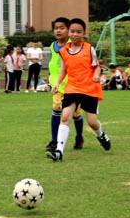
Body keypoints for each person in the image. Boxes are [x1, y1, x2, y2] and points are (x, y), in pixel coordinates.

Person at [47, 18, 111, 162]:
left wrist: (96, 75)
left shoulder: (89, 49)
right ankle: (59, 151)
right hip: (72, 88)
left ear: (84, 33)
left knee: (92, 122)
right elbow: (64, 70)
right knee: (65, 117)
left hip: (89, 89)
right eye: (72, 31)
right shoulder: (64, 51)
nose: (75, 34)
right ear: (69, 32)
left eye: (78, 32)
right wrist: (57, 83)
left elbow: (97, 66)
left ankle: (101, 135)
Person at [46, 17, 85, 153]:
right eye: (56, 28)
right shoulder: (52, 46)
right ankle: (54, 140)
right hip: (57, 86)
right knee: (56, 108)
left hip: (73, 86)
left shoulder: (73, 46)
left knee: (75, 115)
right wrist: (52, 79)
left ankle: (79, 136)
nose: (58, 30)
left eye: (62, 28)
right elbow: (54, 64)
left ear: (69, 31)